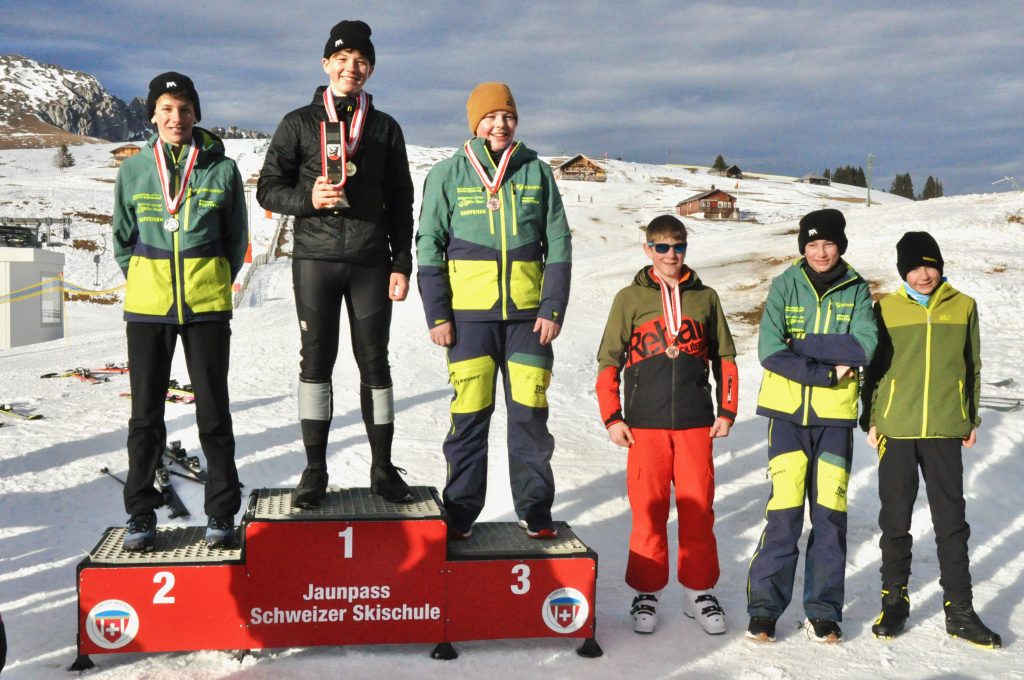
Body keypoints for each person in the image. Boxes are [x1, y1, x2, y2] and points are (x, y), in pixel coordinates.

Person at [257, 20, 415, 507]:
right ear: (326, 63)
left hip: (371, 262)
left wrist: (401, 263)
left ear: (371, 69)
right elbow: (268, 188)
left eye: (362, 61)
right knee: (316, 361)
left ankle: (383, 469)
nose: (352, 68)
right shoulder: (297, 123)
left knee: (375, 361)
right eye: (343, 59)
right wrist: (307, 199)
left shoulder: (385, 128)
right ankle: (314, 471)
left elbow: (402, 201)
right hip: (316, 260)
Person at [416, 82, 571, 540]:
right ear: (475, 123)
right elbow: (429, 245)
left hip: (528, 320)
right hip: (469, 321)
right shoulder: (447, 174)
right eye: (490, 117)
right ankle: (461, 511)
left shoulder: (537, 172)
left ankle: (535, 510)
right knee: (469, 418)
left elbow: (558, 242)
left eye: (507, 116)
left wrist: (552, 308)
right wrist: (438, 315)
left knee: (530, 418)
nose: (500, 125)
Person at [112, 72, 247, 551]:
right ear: (153, 114)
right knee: (145, 416)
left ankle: (221, 510)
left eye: (185, 109)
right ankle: (140, 513)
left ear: (196, 114)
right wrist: (145, 278)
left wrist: (212, 276)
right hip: (148, 309)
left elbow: (236, 239)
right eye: (167, 109)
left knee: (214, 411)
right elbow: (122, 238)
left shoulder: (221, 169)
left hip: (206, 305)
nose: (176, 118)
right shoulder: (134, 169)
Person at [595, 215, 738, 635]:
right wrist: (612, 417)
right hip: (645, 425)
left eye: (678, 247)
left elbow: (725, 358)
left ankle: (699, 591)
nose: (671, 255)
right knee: (648, 511)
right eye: (661, 247)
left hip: (695, 424)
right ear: (648, 250)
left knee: (698, 512)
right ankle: (647, 591)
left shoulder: (706, 297)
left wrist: (727, 410)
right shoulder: (629, 298)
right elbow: (608, 361)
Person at [860, 232, 1000, 647]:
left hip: (944, 427)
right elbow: (874, 369)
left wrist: (969, 417)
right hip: (896, 429)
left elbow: (972, 365)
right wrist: (871, 417)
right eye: (915, 268)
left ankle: (960, 609)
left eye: (930, 266)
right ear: (903, 271)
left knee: (951, 522)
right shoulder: (886, 309)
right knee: (895, 519)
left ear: (940, 266)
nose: (924, 275)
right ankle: (894, 600)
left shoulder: (964, 305)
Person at [745, 208, 877, 643]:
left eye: (828, 243)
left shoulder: (856, 288)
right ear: (803, 247)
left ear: (840, 246)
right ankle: (765, 610)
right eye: (812, 244)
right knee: (783, 516)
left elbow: (865, 345)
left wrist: (798, 344)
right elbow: (770, 350)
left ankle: (823, 612)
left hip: (834, 420)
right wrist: (825, 370)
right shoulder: (785, 284)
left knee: (830, 518)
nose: (820, 252)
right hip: (786, 418)